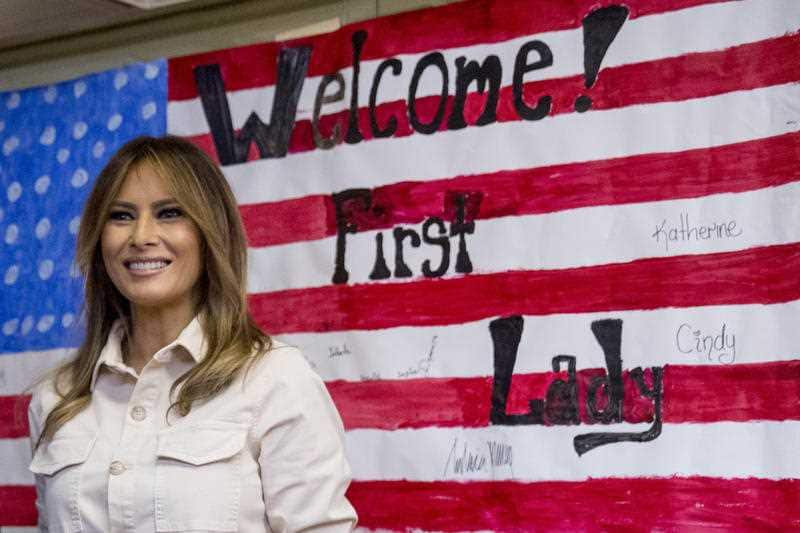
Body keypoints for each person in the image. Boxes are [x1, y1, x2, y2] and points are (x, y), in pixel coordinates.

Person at [28, 135, 357, 532]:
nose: (141, 236)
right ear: (98, 239)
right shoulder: (57, 397)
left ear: (210, 233)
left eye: (169, 213)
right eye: (121, 215)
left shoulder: (274, 379)